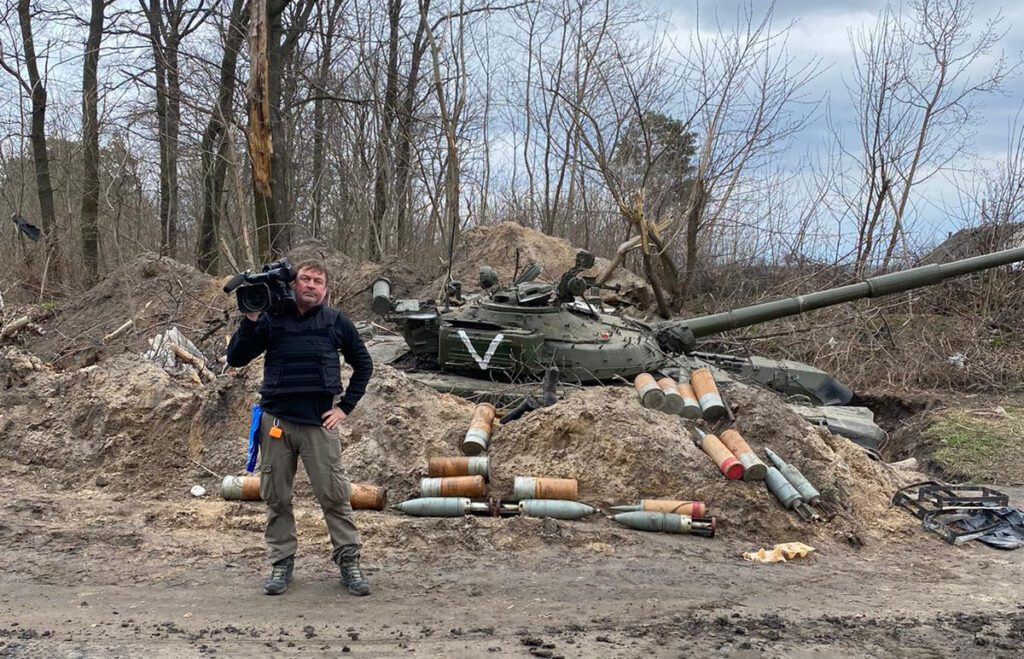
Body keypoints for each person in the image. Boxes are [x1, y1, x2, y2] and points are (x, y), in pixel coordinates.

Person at [226, 260, 374, 596]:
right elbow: (235, 358)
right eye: (304, 279)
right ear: (294, 284)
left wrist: (345, 408)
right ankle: (282, 563)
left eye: (317, 281)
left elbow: (364, 365)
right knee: (276, 496)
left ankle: (348, 560)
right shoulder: (271, 319)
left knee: (334, 496)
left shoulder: (337, 322)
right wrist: (250, 319)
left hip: (318, 424)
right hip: (276, 421)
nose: (310, 285)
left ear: (326, 289)